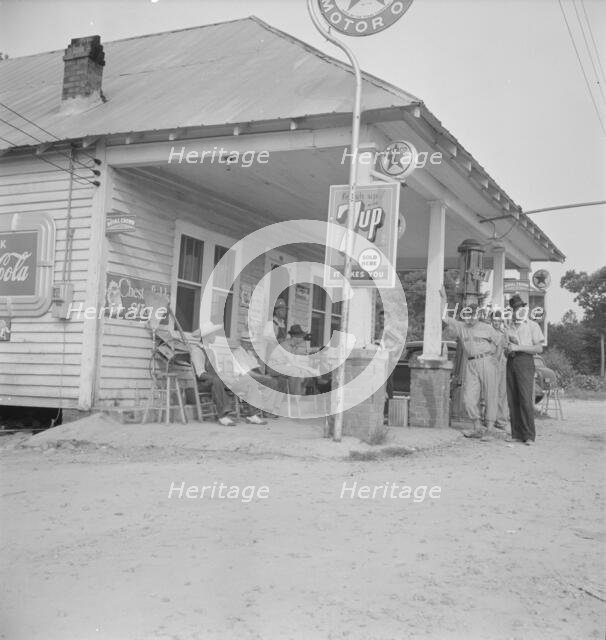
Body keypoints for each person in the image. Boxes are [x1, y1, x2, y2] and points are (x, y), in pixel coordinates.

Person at [440, 289, 501, 440]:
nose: (470, 318)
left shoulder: (487, 328)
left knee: (490, 395)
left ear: (478, 315)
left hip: (487, 361)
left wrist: (496, 359)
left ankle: (490, 429)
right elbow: (444, 317)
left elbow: (501, 342)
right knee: (468, 398)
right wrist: (444, 298)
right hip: (471, 363)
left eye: (473, 315)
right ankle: (477, 427)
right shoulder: (461, 327)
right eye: (468, 315)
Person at [505, 294, 545, 445]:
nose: (518, 311)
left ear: (524, 308)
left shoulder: (532, 325)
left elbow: (539, 348)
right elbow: (507, 348)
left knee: (525, 399)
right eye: (515, 308)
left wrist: (518, 346)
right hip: (511, 361)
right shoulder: (509, 326)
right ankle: (517, 433)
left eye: (520, 307)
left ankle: (529, 435)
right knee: (512, 398)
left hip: (525, 361)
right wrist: (508, 350)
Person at [189, 322, 236, 426]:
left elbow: (217, 371)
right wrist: (217, 378)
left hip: (214, 382)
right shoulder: (197, 351)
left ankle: (230, 412)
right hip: (202, 383)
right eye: (213, 334)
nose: (215, 336)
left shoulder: (211, 351)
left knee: (230, 380)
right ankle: (223, 416)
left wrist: (227, 378)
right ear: (207, 336)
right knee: (216, 381)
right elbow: (200, 373)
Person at [267, 324, 319, 395]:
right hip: (274, 368)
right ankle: (294, 396)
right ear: (296, 337)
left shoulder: (294, 346)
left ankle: (298, 395)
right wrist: (311, 370)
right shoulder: (286, 345)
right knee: (295, 371)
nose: (303, 338)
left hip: (283, 367)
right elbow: (293, 363)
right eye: (302, 336)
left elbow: (304, 352)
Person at [490, 309, 510, 431]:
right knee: (491, 393)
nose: (496, 323)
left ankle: (501, 420)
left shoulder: (504, 333)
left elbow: (508, 346)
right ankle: (489, 419)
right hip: (491, 363)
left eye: (498, 320)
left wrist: (506, 334)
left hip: (503, 364)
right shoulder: (488, 332)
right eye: (494, 320)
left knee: (502, 393)